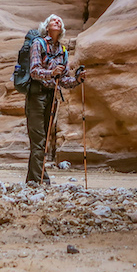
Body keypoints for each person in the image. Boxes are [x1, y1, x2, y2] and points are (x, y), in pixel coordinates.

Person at [25, 13, 84, 184]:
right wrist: (51, 73)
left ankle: (32, 181)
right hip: (36, 96)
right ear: (47, 26)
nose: (57, 21)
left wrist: (78, 80)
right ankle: (42, 180)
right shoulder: (38, 44)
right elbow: (34, 71)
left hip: (52, 97)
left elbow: (64, 80)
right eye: (53, 20)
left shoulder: (62, 50)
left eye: (59, 20)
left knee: (43, 140)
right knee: (39, 140)